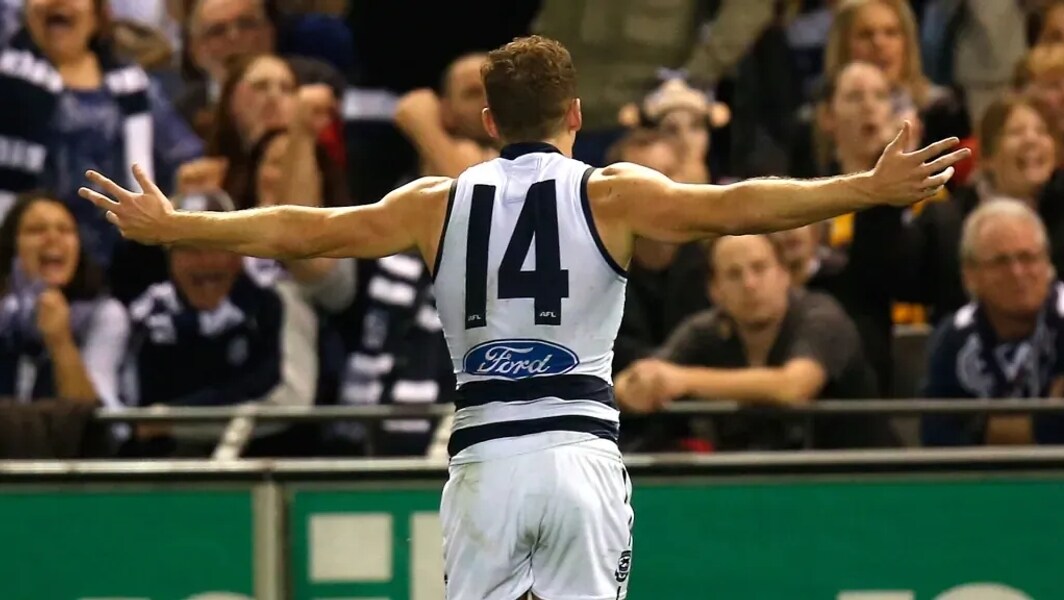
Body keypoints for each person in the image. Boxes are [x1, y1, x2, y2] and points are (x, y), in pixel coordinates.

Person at [80, 34, 967, 600]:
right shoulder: (612, 192)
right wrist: (865, 188)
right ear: (576, 114)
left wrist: (178, 225)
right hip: (580, 452)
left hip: (485, 460)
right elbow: (737, 205)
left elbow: (304, 230)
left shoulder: (436, 202)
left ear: (487, 118)